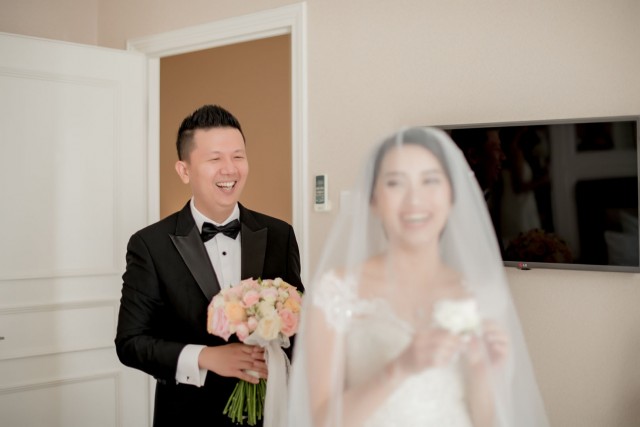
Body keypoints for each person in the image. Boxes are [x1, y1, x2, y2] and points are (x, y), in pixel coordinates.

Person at [288, 127, 549, 426]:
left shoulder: (481, 294)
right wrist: (398, 369)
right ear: (373, 199)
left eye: (430, 181)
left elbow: (485, 419)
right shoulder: (336, 291)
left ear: (452, 194)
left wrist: (483, 372)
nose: (415, 199)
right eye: (395, 183)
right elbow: (321, 420)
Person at [115, 104, 304, 426]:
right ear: (184, 170)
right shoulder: (150, 244)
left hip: (270, 412)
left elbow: (298, 322)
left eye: (238, 156)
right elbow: (131, 343)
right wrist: (206, 357)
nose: (229, 169)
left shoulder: (279, 234)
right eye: (215, 159)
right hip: (188, 414)